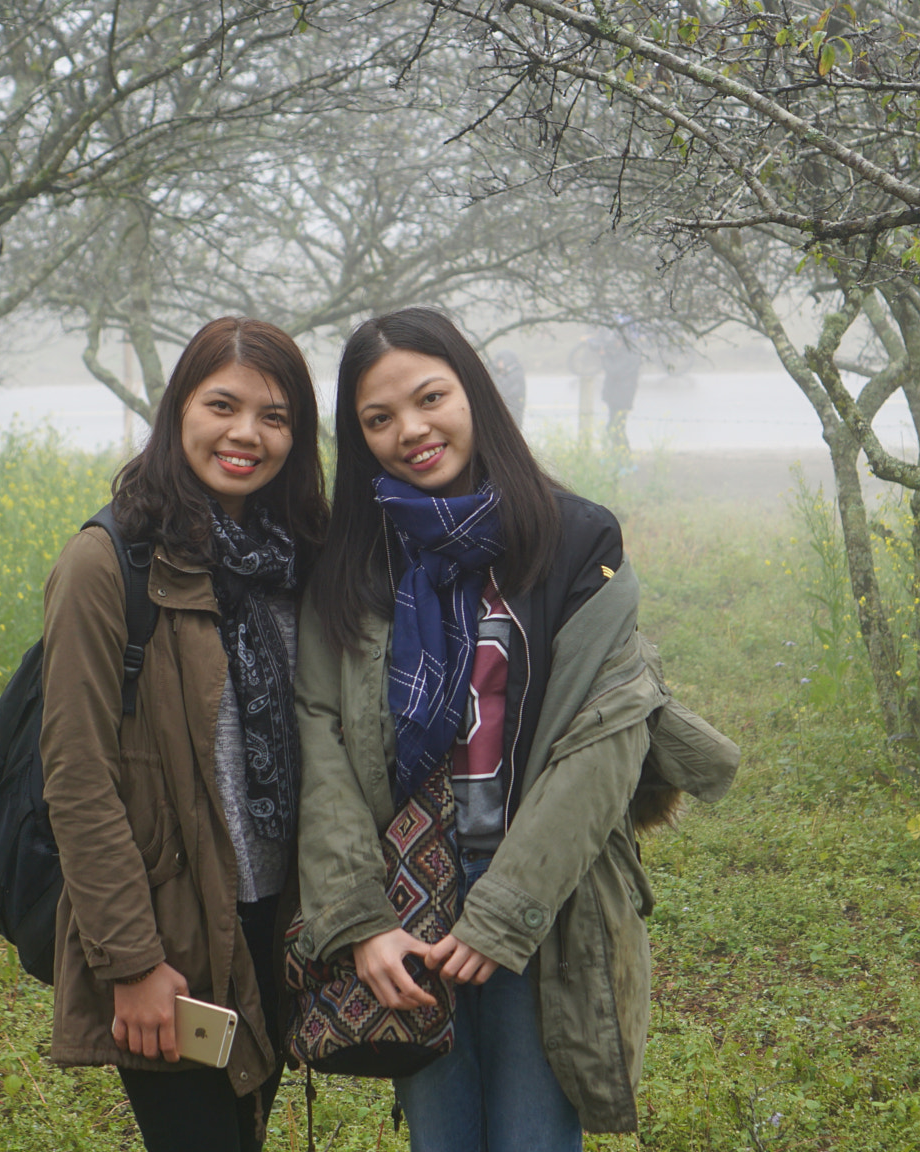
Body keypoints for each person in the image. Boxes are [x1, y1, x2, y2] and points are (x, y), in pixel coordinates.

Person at [293, 308, 679, 1151]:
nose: (413, 431)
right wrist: (360, 920)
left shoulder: (576, 539)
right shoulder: (355, 564)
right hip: (408, 905)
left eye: (431, 397)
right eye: (379, 419)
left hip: (546, 897)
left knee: (536, 1136)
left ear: (476, 392)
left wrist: (505, 912)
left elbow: (605, 741)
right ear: (359, 441)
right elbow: (319, 737)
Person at [39, 317, 327, 1152]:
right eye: (222, 405)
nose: (247, 434)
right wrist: (129, 963)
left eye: (275, 417)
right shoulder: (107, 564)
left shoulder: (296, 558)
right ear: (178, 412)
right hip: (172, 934)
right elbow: (78, 777)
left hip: (273, 921)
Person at [595, 323, 642, 457]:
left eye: (616, 340)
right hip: (616, 397)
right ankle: (618, 456)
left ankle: (625, 458)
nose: (615, 343)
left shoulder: (630, 355)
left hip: (621, 398)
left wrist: (604, 356)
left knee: (617, 429)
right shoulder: (626, 351)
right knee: (613, 428)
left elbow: (614, 370)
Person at [490, 349, 527, 426]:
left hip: (512, 417)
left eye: (500, 361)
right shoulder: (511, 374)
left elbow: (501, 391)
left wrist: (495, 375)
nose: (498, 364)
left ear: (506, 360)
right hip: (508, 416)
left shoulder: (516, 375)